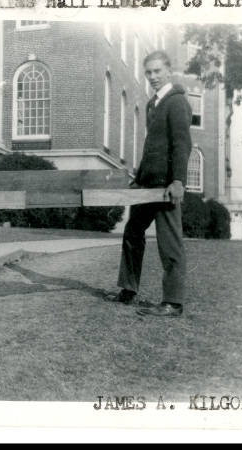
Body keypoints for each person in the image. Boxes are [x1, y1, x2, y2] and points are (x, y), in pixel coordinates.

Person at [105, 50, 192, 317]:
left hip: (166, 187)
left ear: (169, 71)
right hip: (147, 186)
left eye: (157, 71)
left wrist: (178, 181)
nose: (152, 77)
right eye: (148, 72)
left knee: (170, 244)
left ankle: (173, 302)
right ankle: (128, 290)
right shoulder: (153, 103)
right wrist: (138, 179)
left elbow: (181, 144)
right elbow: (151, 148)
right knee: (132, 233)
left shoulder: (176, 102)